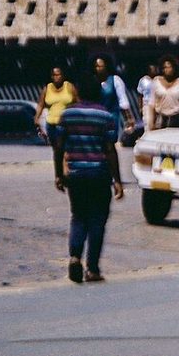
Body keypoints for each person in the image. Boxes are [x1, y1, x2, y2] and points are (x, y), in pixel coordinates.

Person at [52, 94, 124, 283]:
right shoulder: (105, 116)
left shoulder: (67, 115)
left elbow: (58, 147)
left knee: (78, 216)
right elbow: (110, 150)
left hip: (75, 175)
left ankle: (75, 256)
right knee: (97, 220)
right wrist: (117, 180)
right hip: (99, 175)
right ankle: (92, 268)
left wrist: (59, 174)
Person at [93, 55, 138, 141]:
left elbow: (123, 101)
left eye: (100, 66)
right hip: (97, 117)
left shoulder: (115, 80)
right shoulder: (94, 81)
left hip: (112, 117)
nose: (98, 68)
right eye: (96, 66)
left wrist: (129, 118)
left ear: (106, 66)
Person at [148, 56, 179, 130]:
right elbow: (152, 104)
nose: (167, 70)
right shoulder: (156, 82)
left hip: (177, 120)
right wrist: (152, 123)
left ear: (174, 68)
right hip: (162, 120)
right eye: (164, 68)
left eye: (169, 67)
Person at [39, 66, 77, 141]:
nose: (56, 77)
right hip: (51, 124)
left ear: (62, 76)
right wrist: (36, 118)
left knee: (63, 147)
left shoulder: (69, 87)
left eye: (58, 75)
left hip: (65, 124)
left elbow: (77, 102)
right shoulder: (47, 88)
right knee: (56, 149)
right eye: (54, 75)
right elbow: (41, 105)